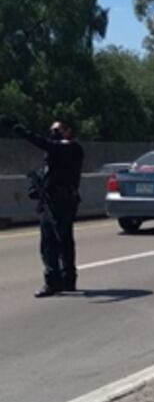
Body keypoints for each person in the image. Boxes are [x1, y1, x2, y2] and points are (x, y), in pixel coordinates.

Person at [5, 117, 85, 297]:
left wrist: (23, 133)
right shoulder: (51, 154)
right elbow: (47, 174)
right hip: (49, 202)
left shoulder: (72, 148)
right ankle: (57, 280)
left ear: (68, 131)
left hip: (64, 202)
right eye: (52, 131)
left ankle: (64, 280)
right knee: (50, 243)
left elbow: (48, 145)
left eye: (57, 131)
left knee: (60, 242)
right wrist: (36, 187)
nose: (53, 135)